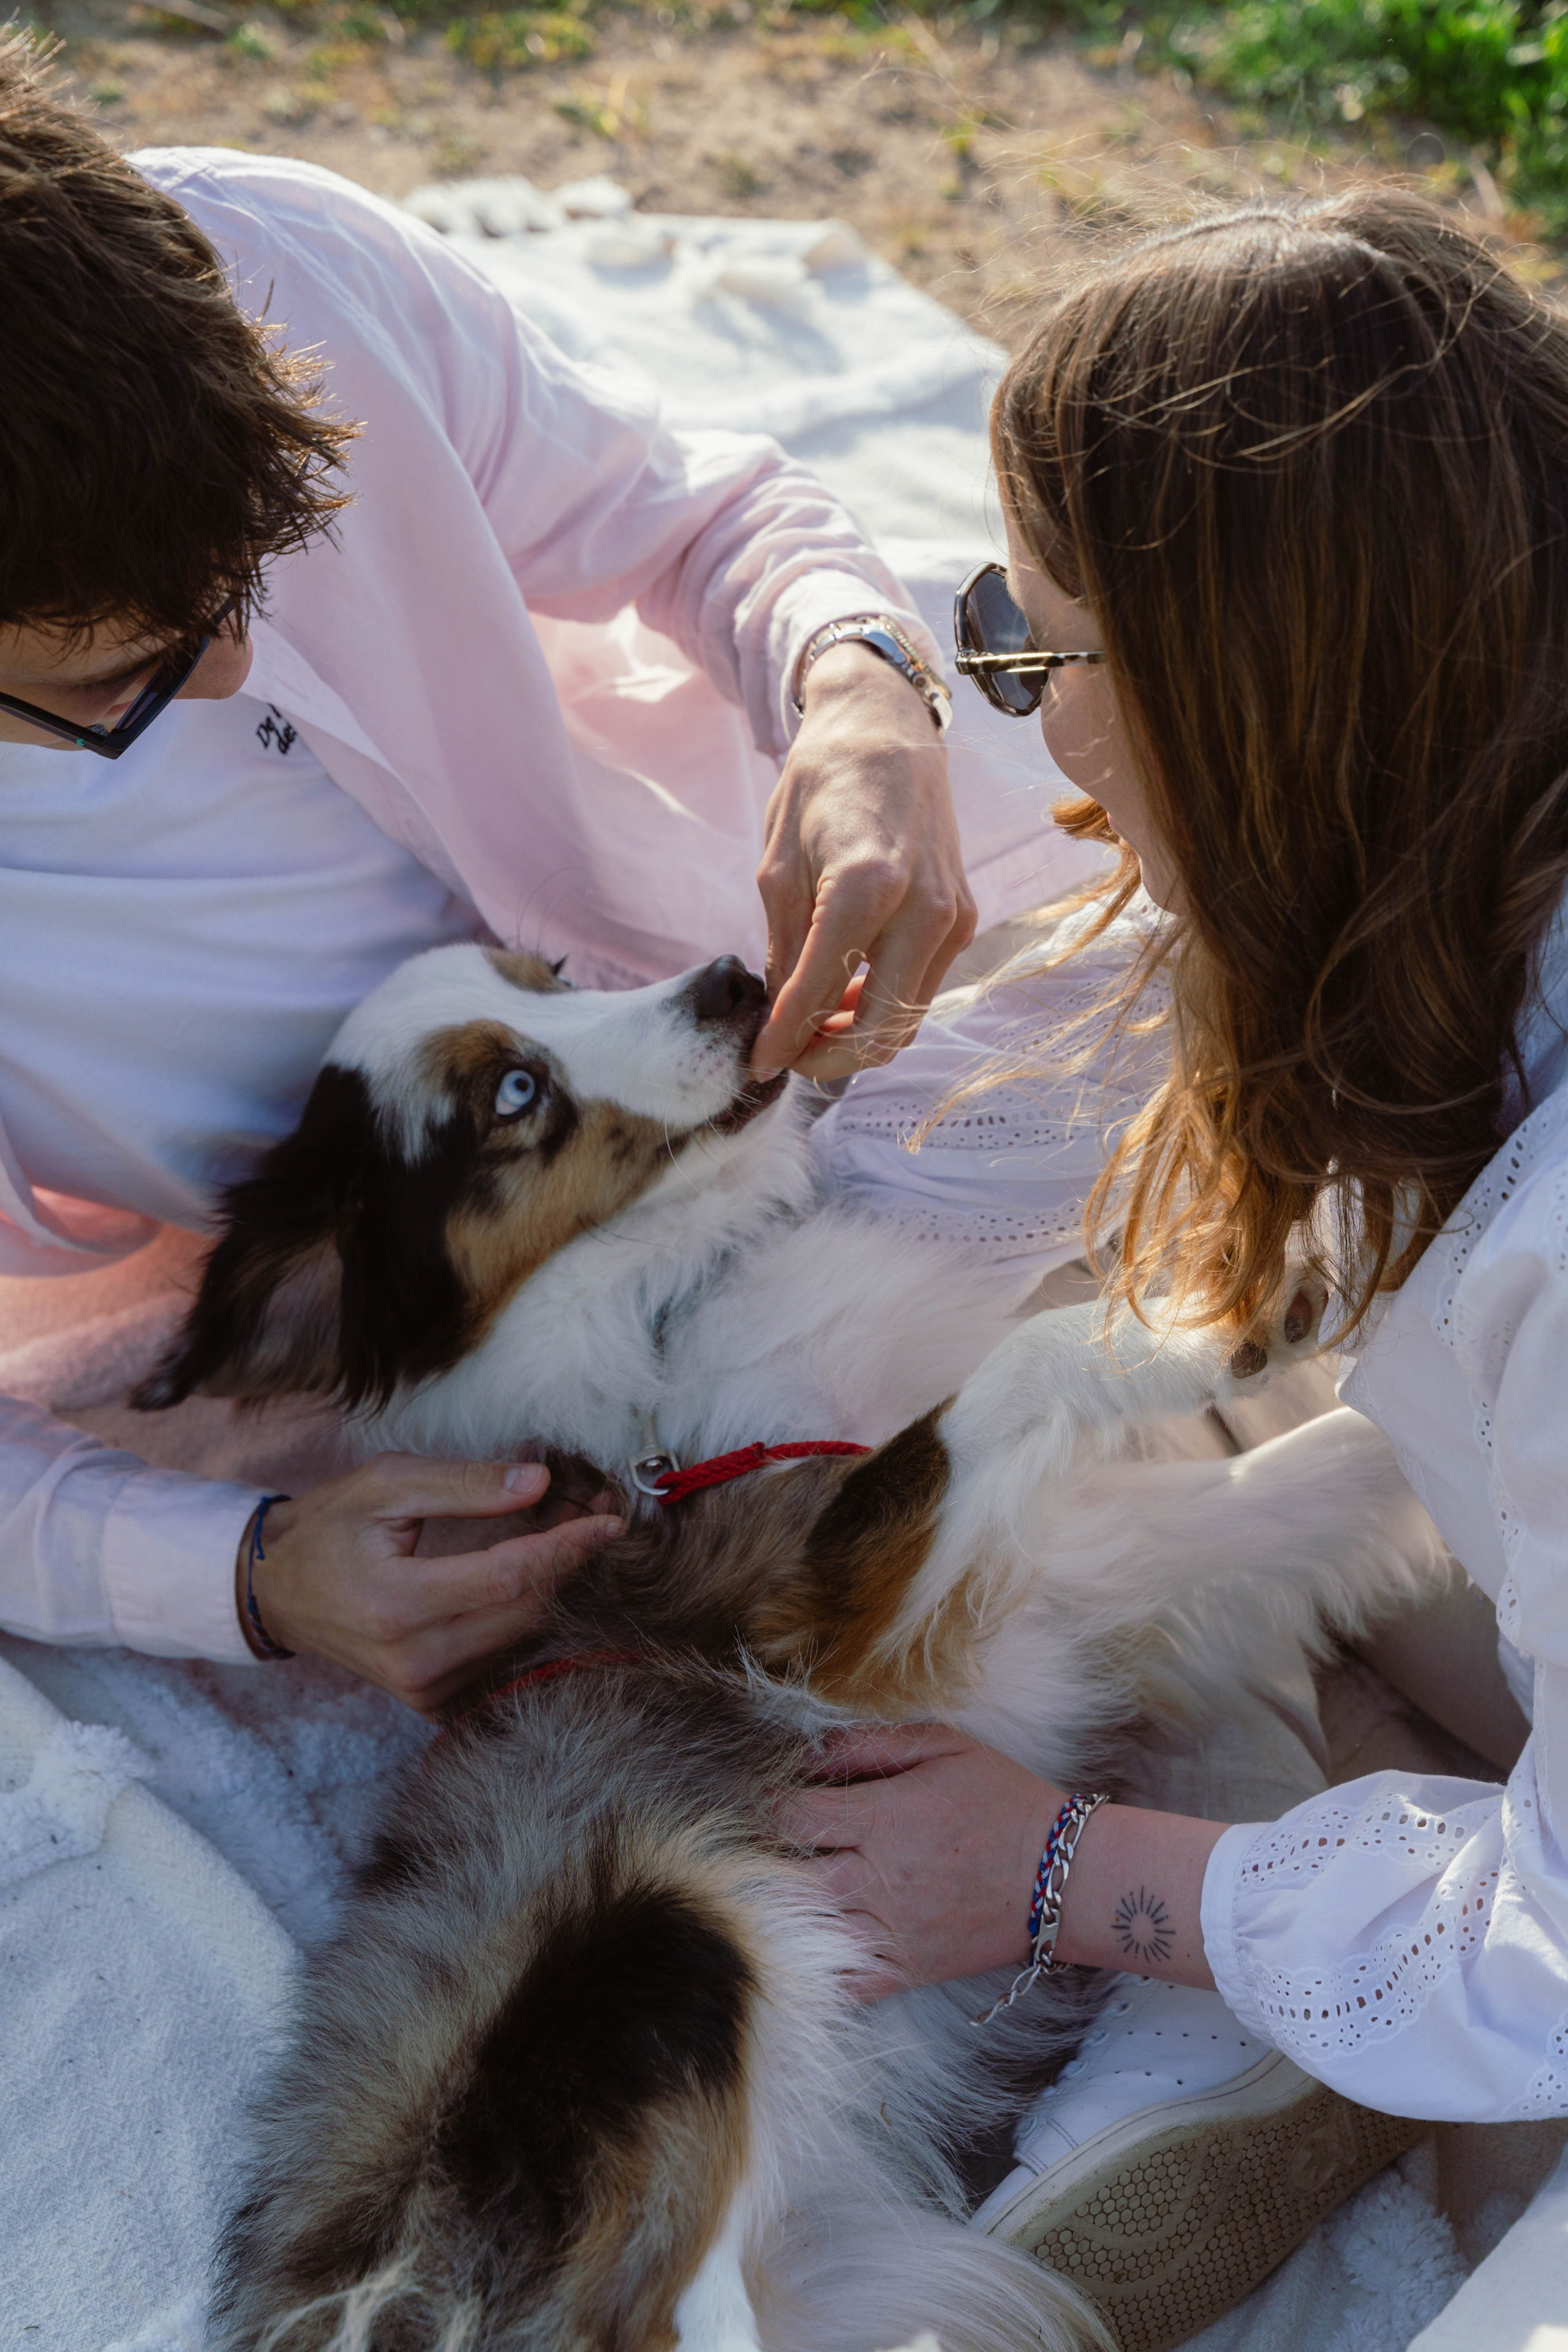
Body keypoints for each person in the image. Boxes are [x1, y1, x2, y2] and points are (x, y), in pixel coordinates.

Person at [785, 187, 1568, 2330]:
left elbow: (1562, 1964)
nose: (1026, 735)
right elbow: (971, 1129)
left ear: (1247, 694)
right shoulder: (1459, 823)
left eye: (1038, 648)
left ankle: (1317, 2067)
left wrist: (1057, 1880)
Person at [0, 39, 1001, 1710]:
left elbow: (693, 514)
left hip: (804, 882)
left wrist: (861, 689)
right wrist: (245, 1576)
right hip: (546, 1321)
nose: (247, 665)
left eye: (266, 563)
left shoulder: (274, 262)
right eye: (129, 682)